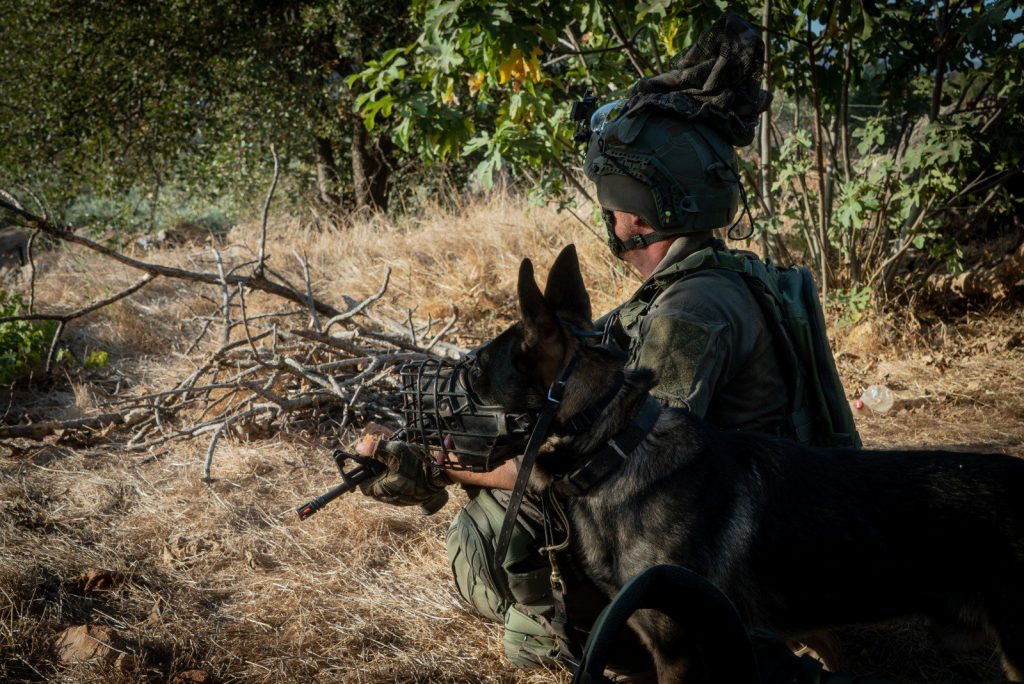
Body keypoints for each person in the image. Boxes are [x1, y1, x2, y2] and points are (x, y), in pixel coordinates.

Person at [355, 10, 847, 675]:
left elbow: (632, 469)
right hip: (759, 523)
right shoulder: (709, 280)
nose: (611, 221)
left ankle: (691, 650)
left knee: (489, 530)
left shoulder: (690, 311)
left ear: (640, 211)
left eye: (613, 204)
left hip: (727, 555)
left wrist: (452, 471)